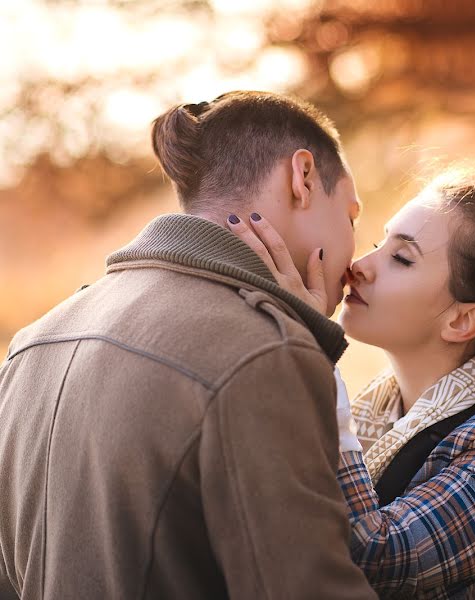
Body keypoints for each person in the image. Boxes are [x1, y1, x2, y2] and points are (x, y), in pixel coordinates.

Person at [0, 91, 375, 599]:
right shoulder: (264, 354)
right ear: (302, 177)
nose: (354, 260)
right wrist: (301, 339)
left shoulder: (31, 343)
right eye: (350, 217)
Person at [231, 170, 475, 599]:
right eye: (380, 244)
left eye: (401, 258)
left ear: (462, 320)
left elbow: (372, 561)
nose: (359, 267)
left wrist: (311, 353)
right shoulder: (370, 413)